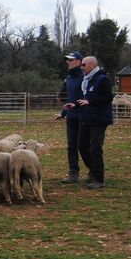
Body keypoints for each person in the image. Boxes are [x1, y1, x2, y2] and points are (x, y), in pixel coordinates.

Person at [74, 56, 114, 189]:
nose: (81, 67)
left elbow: (107, 98)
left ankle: (98, 178)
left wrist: (90, 102)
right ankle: (92, 169)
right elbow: (86, 99)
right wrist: (75, 105)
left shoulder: (102, 79)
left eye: (83, 65)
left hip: (99, 119)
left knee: (95, 148)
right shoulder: (87, 80)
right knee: (81, 146)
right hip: (86, 118)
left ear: (91, 65)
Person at [53, 51, 84, 184]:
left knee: (84, 146)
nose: (68, 63)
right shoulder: (69, 78)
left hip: (84, 116)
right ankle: (73, 172)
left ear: (78, 62)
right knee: (71, 146)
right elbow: (69, 99)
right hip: (71, 117)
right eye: (68, 60)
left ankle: (93, 170)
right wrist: (63, 113)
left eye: (71, 60)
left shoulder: (84, 77)